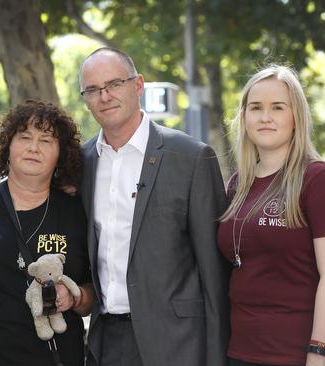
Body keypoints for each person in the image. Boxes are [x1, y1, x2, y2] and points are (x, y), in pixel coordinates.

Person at [78, 47, 230, 366]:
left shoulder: (191, 158)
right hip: (104, 341)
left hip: (177, 344)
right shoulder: (80, 163)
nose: (105, 96)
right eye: (93, 90)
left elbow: (216, 276)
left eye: (114, 84)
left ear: (138, 85)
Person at [217, 65, 325, 366]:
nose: (265, 117)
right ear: (244, 117)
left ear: (296, 118)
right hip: (239, 352)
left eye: (277, 107)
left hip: (297, 354)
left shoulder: (321, 181)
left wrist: (318, 353)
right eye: (256, 108)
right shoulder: (239, 184)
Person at [0, 100, 94, 366]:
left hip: (53, 357)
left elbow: (94, 294)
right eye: (24, 137)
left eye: (46, 140)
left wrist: (74, 297)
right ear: (8, 146)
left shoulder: (77, 212)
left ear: (61, 153)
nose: (33, 147)